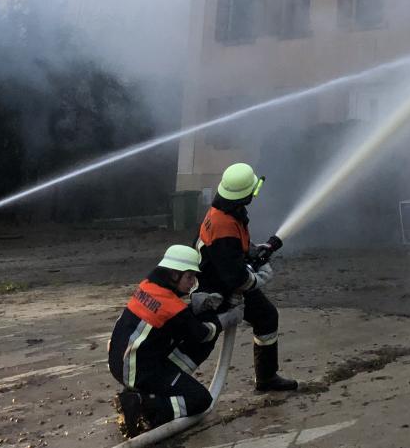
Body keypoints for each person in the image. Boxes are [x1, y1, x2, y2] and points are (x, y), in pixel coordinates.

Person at [108, 244, 240, 438]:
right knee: (200, 400)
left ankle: (152, 393)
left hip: (122, 363)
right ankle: (145, 407)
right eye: (189, 277)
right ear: (173, 274)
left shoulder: (148, 286)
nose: (192, 282)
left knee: (195, 343)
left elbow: (179, 322)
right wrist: (227, 318)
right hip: (138, 372)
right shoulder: (172, 307)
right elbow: (203, 333)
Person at [195, 162, 297, 392]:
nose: (255, 193)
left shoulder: (229, 211)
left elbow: (232, 249)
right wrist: (259, 278)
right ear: (245, 195)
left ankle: (267, 377)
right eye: (253, 190)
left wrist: (252, 250)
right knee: (202, 338)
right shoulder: (223, 225)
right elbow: (236, 278)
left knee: (266, 316)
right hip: (215, 291)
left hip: (222, 279)